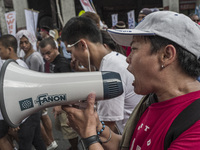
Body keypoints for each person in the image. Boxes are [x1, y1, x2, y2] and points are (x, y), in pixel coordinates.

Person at [62, 11, 200, 149]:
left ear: (166, 55)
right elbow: (132, 145)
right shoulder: (151, 100)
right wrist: (97, 127)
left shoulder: (195, 130)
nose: (127, 59)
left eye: (134, 49)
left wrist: (89, 138)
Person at [61, 16, 142, 135]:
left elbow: (108, 129)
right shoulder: (111, 61)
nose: (73, 59)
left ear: (83, 45)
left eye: (70, 52)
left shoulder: (110, 71)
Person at [39, 37, 78, 150]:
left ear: (56, 49)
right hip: (59, 101)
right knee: (60, 126)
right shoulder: (52, 62)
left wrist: (59, 104)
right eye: (43, 54)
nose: (46, 57)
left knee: (68, 128)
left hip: (66, 102)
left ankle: (75, 147)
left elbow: (67, 86)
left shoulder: (62, 63)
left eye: (48, 53)